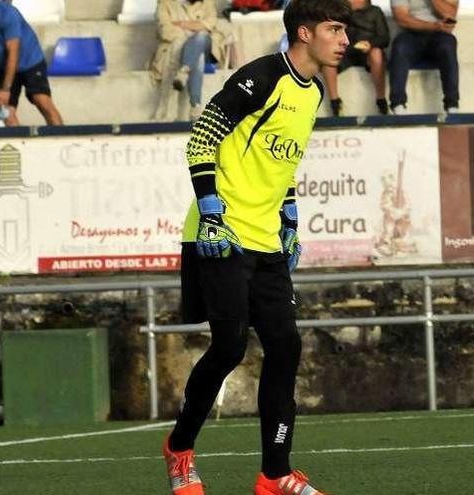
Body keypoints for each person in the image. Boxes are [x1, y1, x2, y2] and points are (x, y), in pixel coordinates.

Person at [162, 1, 351, 494]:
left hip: (266, 239)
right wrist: (209, 211)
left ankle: (275, 474)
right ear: (305, 33)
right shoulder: (261, 78)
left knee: (286, 347)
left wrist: (290, 219)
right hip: (219, 234)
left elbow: (281, 164)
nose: (345, 39)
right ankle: (180, 449)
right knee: (228, 346)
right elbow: (200, 140)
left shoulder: (312, 94)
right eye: (335, 29)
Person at [0, 0, 63, 126]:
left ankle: (61, 138)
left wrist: (6, 88)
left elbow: (13, 51)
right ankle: (19, 144)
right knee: (6, 112)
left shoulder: (6, 13)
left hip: (30, 61)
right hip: (2, 66)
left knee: (42, 101)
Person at [150, 0, 238, 121]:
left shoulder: (207, 3)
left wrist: (181, 24)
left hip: (207, 47)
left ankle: (183, 72)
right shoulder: (165, 4)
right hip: (179, 48)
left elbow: (210, 23)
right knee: (197, 57)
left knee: (201, 36)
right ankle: (195, 106)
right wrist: (194, 28)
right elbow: (165, 30)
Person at [388, 0, 459, 114]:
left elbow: (450, 14)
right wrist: (433, 26)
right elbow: (401, 18)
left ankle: (452, 105)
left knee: (448, 45)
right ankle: (398, 104)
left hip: (440, 36)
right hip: (411, 34)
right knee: (400, 46)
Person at [320, 0, 389, 116]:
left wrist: (370, 43)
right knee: (328, 56)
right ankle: (335, 102)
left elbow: (384, 37)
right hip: (345, 50)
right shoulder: (339, 12)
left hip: (367, 51)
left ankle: (381, 100)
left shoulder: (375, 12)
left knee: (377, 53)